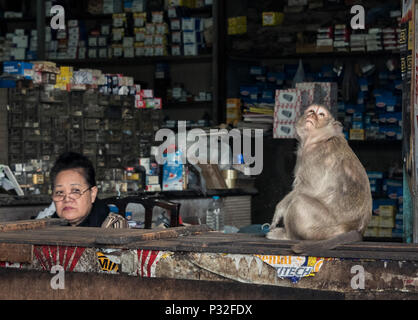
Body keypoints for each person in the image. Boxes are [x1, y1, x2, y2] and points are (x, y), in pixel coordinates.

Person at [49, 152, 126, 228]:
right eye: (59, 192)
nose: (67, 199)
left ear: (92, 194)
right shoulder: (46, 227)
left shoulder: (113, 225)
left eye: (76, 191)